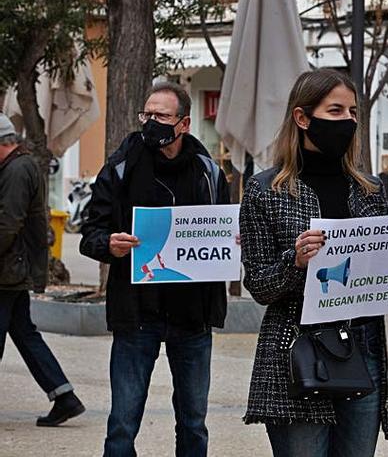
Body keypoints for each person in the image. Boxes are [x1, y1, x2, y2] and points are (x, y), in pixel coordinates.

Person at [239, 68, 388, 457]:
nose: (348, 122)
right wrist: (297, 262)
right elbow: (258, 284)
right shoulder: (264, 190)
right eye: (335, 111)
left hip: (363, 348)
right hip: (296, 350)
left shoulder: (369, 189)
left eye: (353, 112)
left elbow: (383, 272)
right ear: (303, 118)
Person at [79, 82, 230, 456]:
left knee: (193, 423)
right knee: (122, 425)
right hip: (137, 315)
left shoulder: (208, 174)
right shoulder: (120, 167)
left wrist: (233, 242)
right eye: (147, 114)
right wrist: (109, 245)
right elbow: (90, 234)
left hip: (192, 318)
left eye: (161, 116)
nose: (150, 122)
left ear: (184, 124)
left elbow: (226, 233)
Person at [0, 113, 86, 427]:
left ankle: (65, 397)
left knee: (21, 332)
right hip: (13, 268)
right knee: (24, 332)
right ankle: (64, 396)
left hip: (8, 269)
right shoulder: (17, 166)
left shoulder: (18, 169)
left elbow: (8, 223)